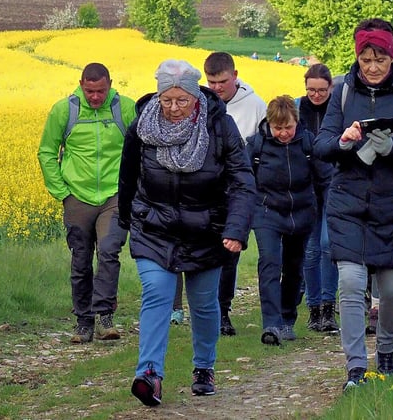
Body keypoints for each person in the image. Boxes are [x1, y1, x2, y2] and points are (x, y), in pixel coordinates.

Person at [118, 59, 255, 407]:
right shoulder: (142, 127)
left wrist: (236, 228)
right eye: (167, 100)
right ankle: (150, 375)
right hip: (154, 227)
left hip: (207, 230)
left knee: (204, 304)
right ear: (158, 96)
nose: (174, 108)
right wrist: (127, 220)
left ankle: (204, 367)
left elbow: (241, 181)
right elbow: (128, 176)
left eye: (181, 100)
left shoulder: (220, 126)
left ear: (195, 97)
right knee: (156, 295)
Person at [313, 18, 393, 390]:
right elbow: (320, 145)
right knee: (349, 283)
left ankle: (386, 352)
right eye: (366, 59)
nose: (373, 66)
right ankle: (355, 367)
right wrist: (344, 141)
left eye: (380, 58)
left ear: (392, 57)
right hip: (348, 201)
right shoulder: (342, 91)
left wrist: (392, 147)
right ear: (358, 58)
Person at [38, 62, 137, 344]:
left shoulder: (125, 109)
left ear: (111, 84)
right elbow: (47, 151)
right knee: (80, 260)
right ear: (81, 84)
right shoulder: (64, 110)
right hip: (77, 196)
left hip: (114, 196)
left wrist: (131, 188)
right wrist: (62, 192)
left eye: (101, 91)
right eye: (91, 91)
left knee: (108, 251)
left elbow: (140, 149)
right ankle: (84, 321)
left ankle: (105, 316)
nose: (96, 97)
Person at [248, 95, 326, 345]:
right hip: (266, 211)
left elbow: (324, 179)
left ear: (297, 122)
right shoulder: (256, 146)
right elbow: (244, 181)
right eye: (278, 128)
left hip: (302, 212)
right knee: (270, 263)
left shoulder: (308, 143)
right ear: (268, 124)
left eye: (288, 127)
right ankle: (271, 324)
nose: (283, 133)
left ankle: (287, 318)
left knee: (294, 267)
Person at [204, 51, 267, 336]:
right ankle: (206, 310)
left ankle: (223, 311)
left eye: (222, 81)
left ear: (235, 76)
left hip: (238, 192)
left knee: (230, 254)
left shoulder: (255, 106)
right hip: (206, 191)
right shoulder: (201, 104)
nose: (217, 87)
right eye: (212, 82)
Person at [298, 64, 340, 333]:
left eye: (321, 90)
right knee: (311, 250)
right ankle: (313, 310)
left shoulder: (339, 109)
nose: (315, 95)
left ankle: (328, 307)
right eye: (311, 89)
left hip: (335, 184)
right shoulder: (296, 108)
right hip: (307, 187)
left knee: (328, 245)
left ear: (330, 88)